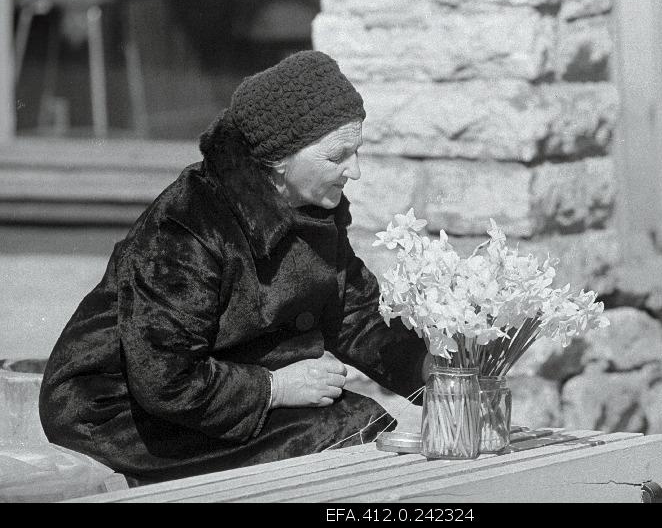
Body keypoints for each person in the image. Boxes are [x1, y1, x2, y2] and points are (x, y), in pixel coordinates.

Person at [39, 50, 430, 486]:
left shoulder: (314, 211)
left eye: (356, 153)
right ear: (280, 159)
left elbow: (353, 315)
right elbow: (164, 378)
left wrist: (433, 369)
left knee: (361, 428)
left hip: (222, 386)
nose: (353, 172)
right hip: (117, 408)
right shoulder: (187, 226)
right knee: (346, 432)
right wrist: (274, 389)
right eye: (337, 157)